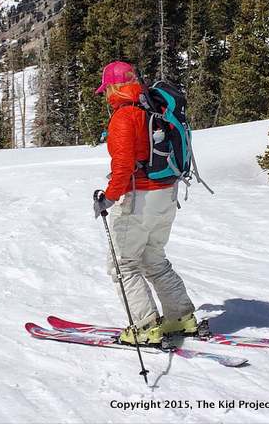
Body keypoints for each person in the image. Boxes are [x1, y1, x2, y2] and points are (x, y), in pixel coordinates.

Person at [92, 61, 197, 345]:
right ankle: (181, 316)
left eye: (106, 90)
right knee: (154, 258)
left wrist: (109, 198)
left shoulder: (124, 116)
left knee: (123, 265)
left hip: (140, 197)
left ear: (114, 87)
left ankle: (144, 326)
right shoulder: (152, 107)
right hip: (167, 192)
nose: (106, 95)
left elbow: (124, 165)